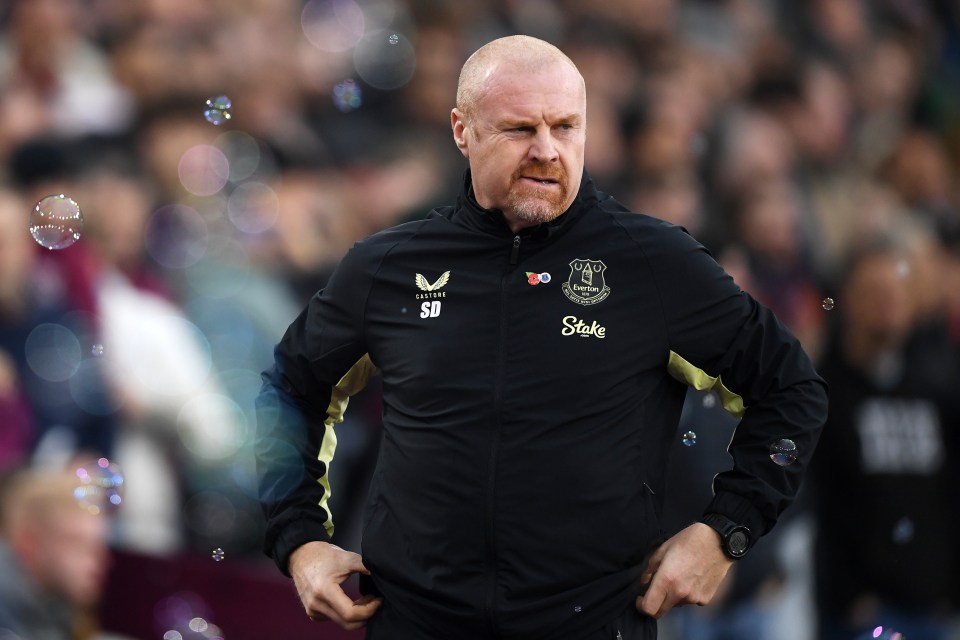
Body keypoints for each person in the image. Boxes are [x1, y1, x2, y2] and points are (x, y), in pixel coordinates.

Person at [255, 35, 828, 639]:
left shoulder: (653, 264)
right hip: (414, 624)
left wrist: (725, 531)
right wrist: (298, 542)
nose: (547, 150)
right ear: (461, 129)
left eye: (566, 127)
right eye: (520, 128)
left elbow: (792, 391)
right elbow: (290, 391)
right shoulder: (388, 267)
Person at [810, 234, 960, 639]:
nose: (888, 303)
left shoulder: (937, 388)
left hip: (937, 610)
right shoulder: (823, 393)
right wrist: (848, 596)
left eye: (897, 292)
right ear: (849, 300)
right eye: (875, 292)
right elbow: (818, 502)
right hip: (862, 614)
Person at [0, 463, 113, 640]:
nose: (101, 559)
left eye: (99, 545)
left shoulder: (56, 609)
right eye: (78, 543)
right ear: (29, 542)